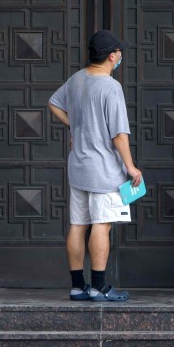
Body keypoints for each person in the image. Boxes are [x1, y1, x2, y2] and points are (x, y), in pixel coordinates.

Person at [48, 29, 143, 302]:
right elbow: (119, 135)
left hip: (78, 167)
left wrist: (75, 128)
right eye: (119, 52)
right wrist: (131, 167)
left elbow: (53, 103)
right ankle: (99, 287)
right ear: (112, 56)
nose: (120, 56)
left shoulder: (76, 80)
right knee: (102, 224)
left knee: (78, 224)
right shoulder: (111, 87)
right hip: (104, 170)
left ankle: (78, 286)